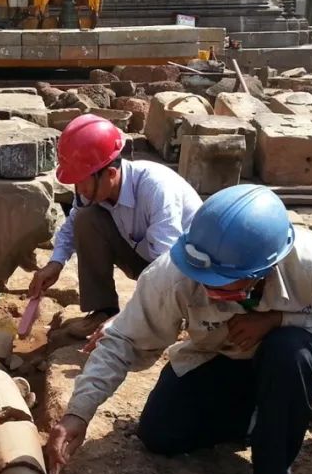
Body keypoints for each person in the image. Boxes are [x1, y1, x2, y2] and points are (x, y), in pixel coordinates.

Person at [45, 184, 312, 474]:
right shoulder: (175, 274)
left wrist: (279, 321)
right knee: (160, 434)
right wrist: (77, 414)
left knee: (289, 353)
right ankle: (279, 413)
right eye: (207, 281)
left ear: (265, 268)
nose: (211, 291)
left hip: (296, 359)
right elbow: (122, 341)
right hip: (225, 356)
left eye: (225, 284)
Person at [28, 113, 202, 340]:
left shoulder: (156, 188)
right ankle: (103, 311)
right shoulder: (100, 190)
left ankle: (165, 320)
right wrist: (55, 263)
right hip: (147, 262)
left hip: (187, 275)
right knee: (86, 219)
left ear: (110, 173)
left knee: (146, 319)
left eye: (82, 181)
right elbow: (71, 226)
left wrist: (128, 319)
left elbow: (166, 266)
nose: (78, 189)